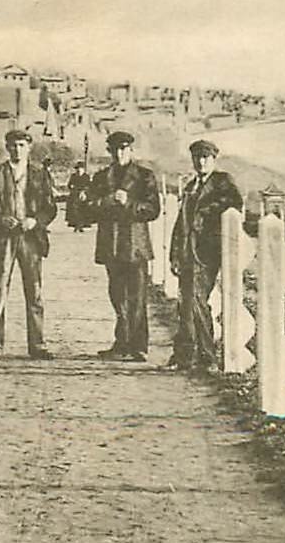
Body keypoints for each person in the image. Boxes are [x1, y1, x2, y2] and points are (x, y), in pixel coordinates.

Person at [0, 128, 58, 360]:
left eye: (22, 145)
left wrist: (35, 221)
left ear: (29, 148)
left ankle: (37, 345)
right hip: (3, 238)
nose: (17, 150)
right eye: (13, 146)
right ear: (7, 148)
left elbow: (50, 208)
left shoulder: (40, 175)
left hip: (31, 239)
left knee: (35, 292)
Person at [168, 139, 243, 372]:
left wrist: (204, 213)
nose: (201, 162)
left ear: (213, 159)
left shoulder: (222, 181)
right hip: (187, 252)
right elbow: (181, 222)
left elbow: (234, 203)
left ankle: (207, 357)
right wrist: (174, 254)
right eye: (197, 158)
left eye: (205, 157)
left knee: (196, 299)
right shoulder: (191, 186)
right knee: (185, 302)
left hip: (207, 252)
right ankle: (185, 356)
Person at [87, 131, 161, 362]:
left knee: (137, 296)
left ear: (131, 150)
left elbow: (153, 210)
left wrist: (129, 202)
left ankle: (139, 346)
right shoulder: (101, 177)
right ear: (109, 151)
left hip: (135, 244)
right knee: (117, 295)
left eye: (124, 149)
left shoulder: (144, 176)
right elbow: (89, 208)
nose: (119, 153)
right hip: (111, 244)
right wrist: (106, 201)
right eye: (115, 150)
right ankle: (121, 343)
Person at [65, 162, 92, 232]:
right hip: (75, 194)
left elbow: (89, 186)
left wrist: (84, 192)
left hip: (83, 195)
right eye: (77, 168)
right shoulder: (73, 176)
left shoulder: (86, 176)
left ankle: (82, 224)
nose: (79, 170)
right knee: (73, 209)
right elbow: (69, 185)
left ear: (83, 169)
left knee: (84, 209)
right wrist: (71, 187)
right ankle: (76, 224)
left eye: (80, 168)